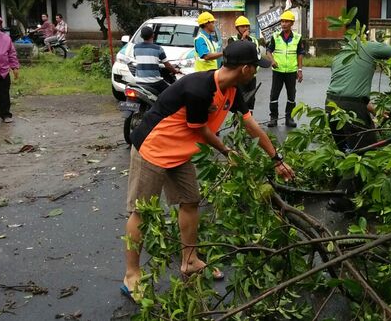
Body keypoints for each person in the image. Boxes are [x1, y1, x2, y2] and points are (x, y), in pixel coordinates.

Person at [121, 41, 295, 301]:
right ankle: (131, 275)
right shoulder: (199, 88)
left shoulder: (231, 91)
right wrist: (227, 152)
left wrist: (276, 159)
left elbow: (250, 124)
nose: (257, 72)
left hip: (180, 153)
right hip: (152, 148)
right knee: (142, 212)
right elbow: (200, 128)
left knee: (190, 201)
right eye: (256, 68)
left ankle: (189, 259)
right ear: (245, 69)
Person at [325, 39, 391, 212]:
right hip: (351, 107)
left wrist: (374, 111)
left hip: (332, 105)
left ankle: (334, 186)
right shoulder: (370, 46)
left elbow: (348, 91)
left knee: (347, 152)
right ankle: (339, 199)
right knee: (365, 154)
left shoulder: (341, 54)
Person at [266, 10, 304, 128]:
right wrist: (272, 61)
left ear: (292, 23)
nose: (283, 24)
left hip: (291, 72)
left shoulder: (298, 37)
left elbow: (300, 54)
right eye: (282, 21)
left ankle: (289, 118)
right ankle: (273, 118)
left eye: (286, 21)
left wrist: (300, 70)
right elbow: (268, 51)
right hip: (278, 71)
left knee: (291, 95)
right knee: (274, 95)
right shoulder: (275, 36)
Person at [131, 26, 180, 95]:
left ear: (141, 36)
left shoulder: (136, 47)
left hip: (139, 81)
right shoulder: (158, 49)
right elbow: (168, 65)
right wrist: (175, 71)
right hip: (154, 82)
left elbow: (141, 59)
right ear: (153, 35)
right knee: (172, 93)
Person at [227, 16, 258, 111]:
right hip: (238, 75)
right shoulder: (232, 39)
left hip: (251, 75)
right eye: (242, 26)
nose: (245, 28)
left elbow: (257, 56)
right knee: (239, 97)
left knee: (251, 96)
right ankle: (238, 120)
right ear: (237, 28)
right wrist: (243, 39)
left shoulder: (253, 40)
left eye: (246, 26)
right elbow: (233, 54)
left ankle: (249, 117)